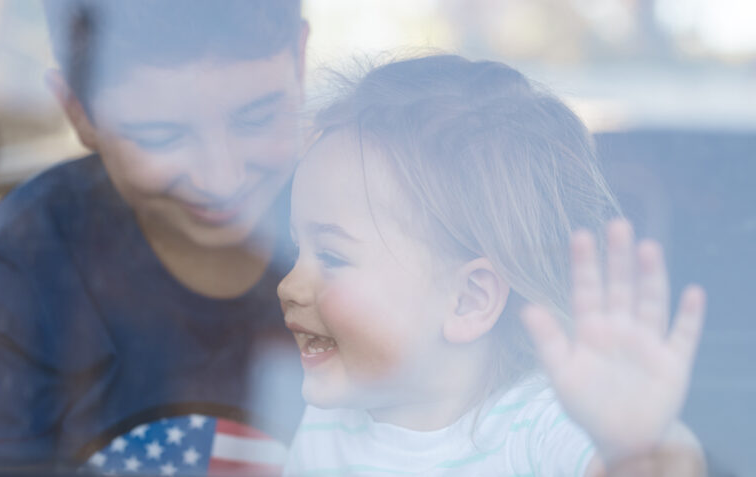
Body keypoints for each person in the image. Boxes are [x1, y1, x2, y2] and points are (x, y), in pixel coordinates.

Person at [278, 55, 707, 476]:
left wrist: (635, 447)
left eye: (331, 257)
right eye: (297, 247)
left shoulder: (543, 426)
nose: (288, 285)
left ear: (468, 300)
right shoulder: (325, 424)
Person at [0, 1, 307, 473]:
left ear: (301, 59)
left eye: (257, 119)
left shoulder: (378, 217)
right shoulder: (19, 269)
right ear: (78, 111)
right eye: (161, 136)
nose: (222, 178)